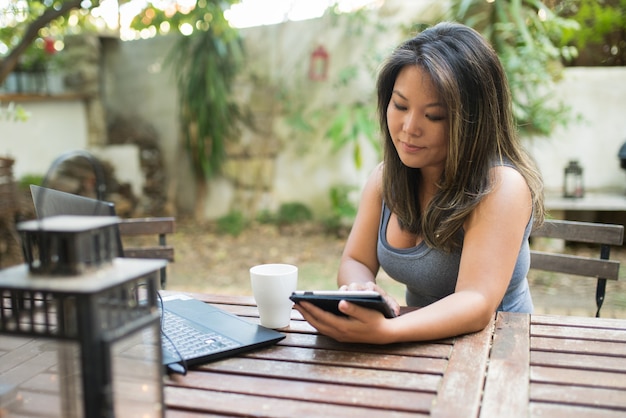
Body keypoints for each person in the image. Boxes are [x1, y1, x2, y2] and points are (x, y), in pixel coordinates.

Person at [293, 22, 545, 344]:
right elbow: (355, 261)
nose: (409, 127)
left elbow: (477, 302)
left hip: (497, 352)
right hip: (421, 347)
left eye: (434, 116)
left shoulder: (500, 186)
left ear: (473, 122)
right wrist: (360, 289)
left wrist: (386, 332)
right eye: (400, 106)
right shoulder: (386, 180)